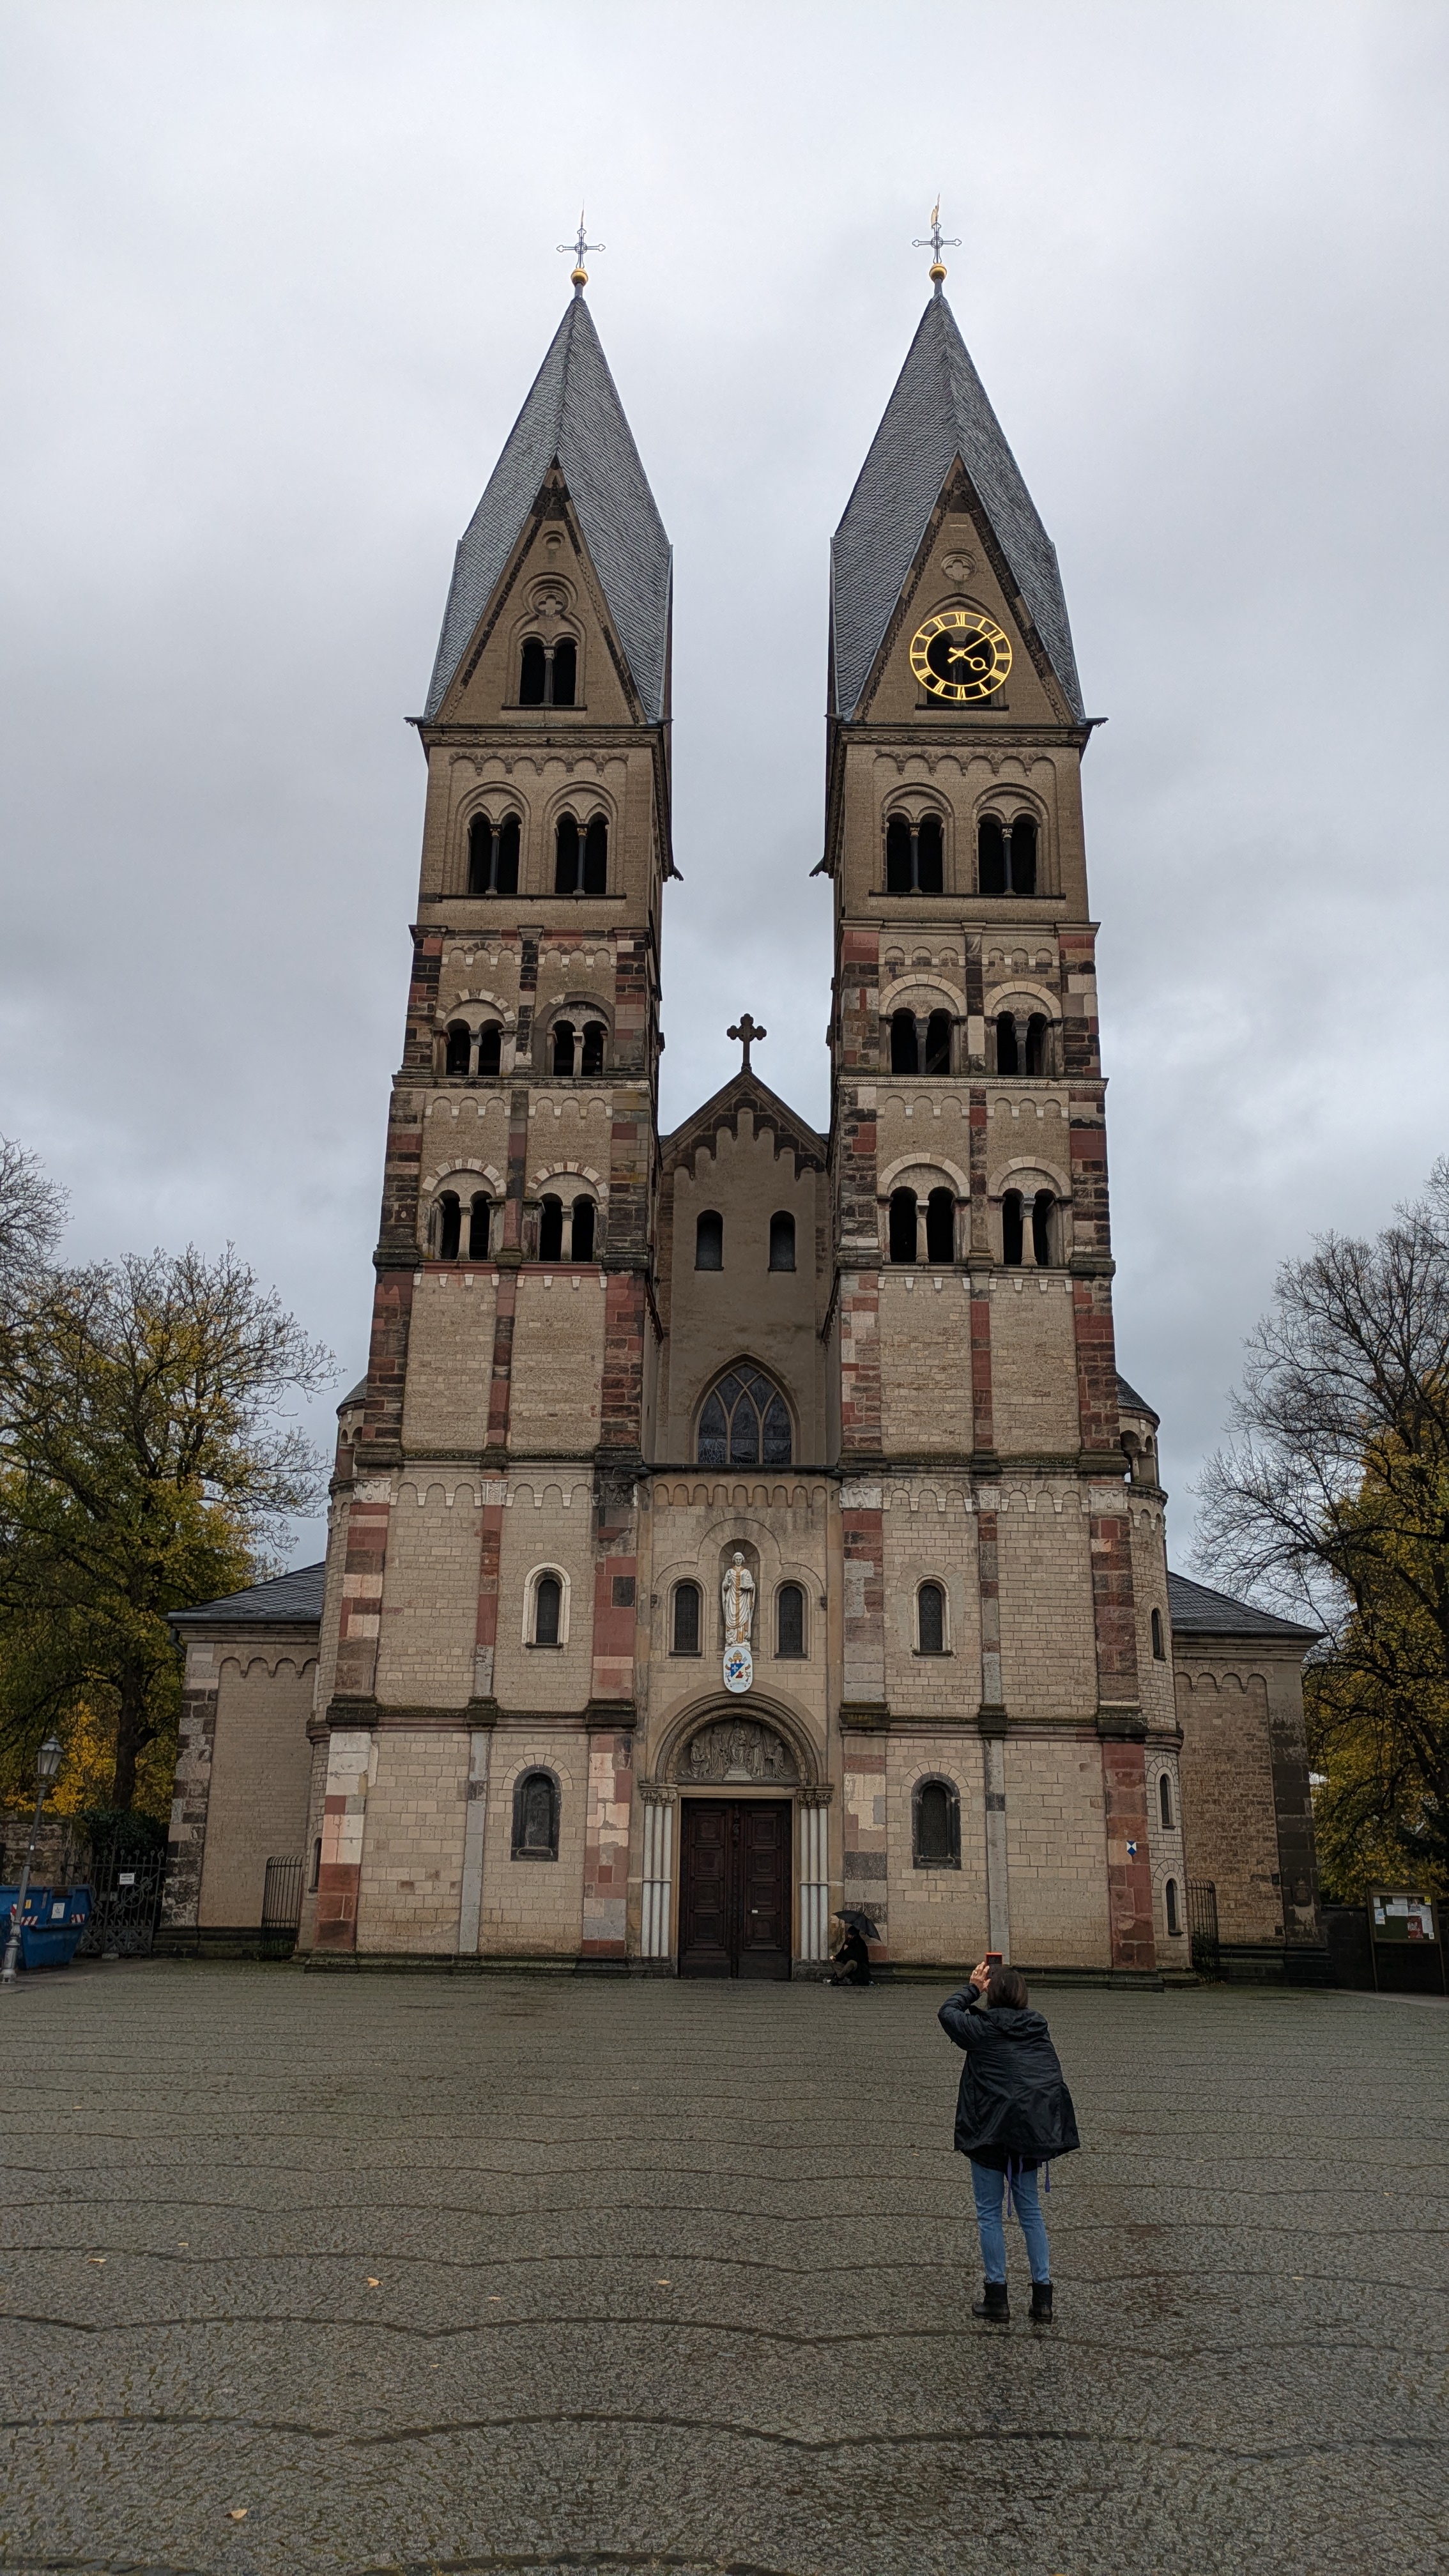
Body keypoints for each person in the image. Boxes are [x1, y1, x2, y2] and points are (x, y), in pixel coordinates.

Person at [938, 1958, 1079, 2324]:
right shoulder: (1038, 2028)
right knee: (1031, 2211)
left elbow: (947, 2012)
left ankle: (997, 2297)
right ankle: (1043, 2299)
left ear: (993, 1995)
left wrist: (973, 1988)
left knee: (989, 2213)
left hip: (988, 2133)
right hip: (1028, 2134)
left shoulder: (980, 2029)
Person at [827, 1911, 871, 1986]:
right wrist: (835, 1958)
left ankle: (839, 1977)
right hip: (846, 1965)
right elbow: (841, 1954)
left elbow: (857, 1958)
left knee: (851, 1963)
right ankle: (846, 1979)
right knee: (834, 1964)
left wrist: (848, 1950)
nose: (849, 1936)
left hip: (857, 1966)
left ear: (855, 1935)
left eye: (851, 1935)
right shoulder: (847, 1942)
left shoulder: (861, 1944)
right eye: (849, 1934)